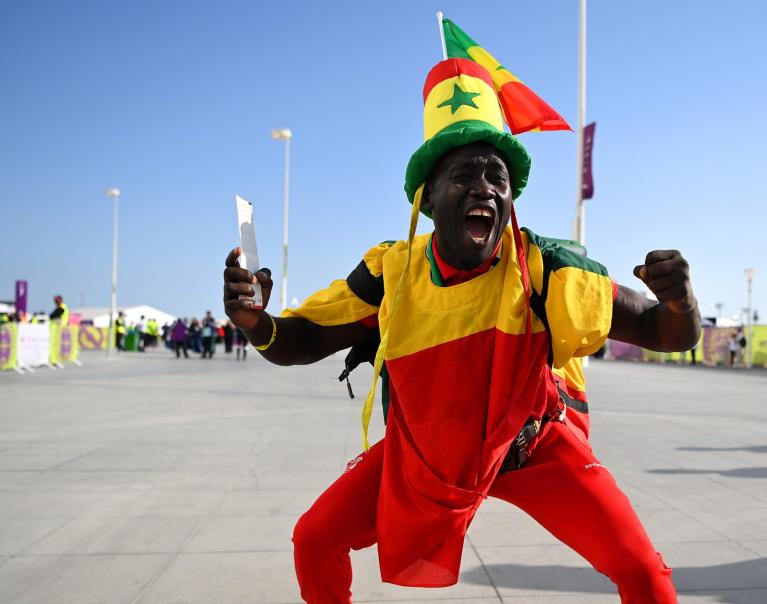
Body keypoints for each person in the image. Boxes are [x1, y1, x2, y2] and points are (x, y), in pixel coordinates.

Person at [222, 56, 698, 604]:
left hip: (532, 450)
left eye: (498, 178)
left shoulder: (547, 269)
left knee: (645, 573)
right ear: (428, 200)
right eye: (464, 177)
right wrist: (256, 323)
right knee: (314, 538)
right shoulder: (390, 273)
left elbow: (669, 333)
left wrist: (682, 301)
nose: (486, 190)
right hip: (426, 457)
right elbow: (298, 342)